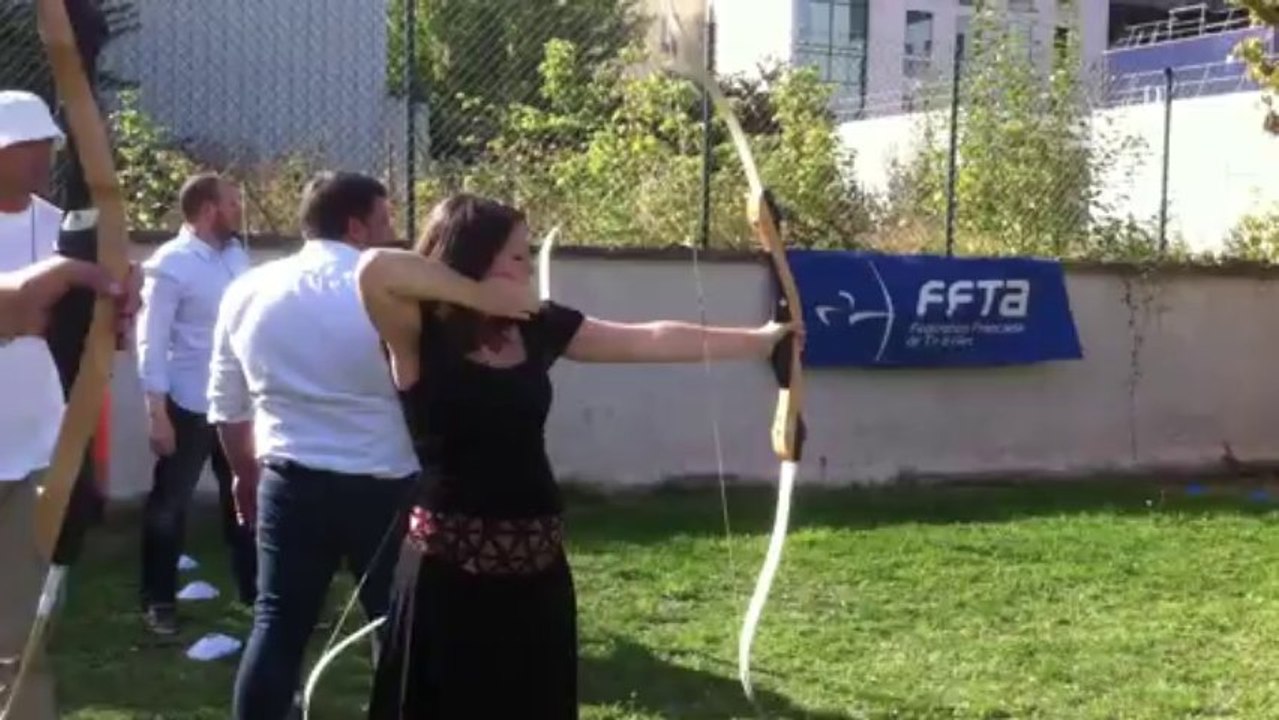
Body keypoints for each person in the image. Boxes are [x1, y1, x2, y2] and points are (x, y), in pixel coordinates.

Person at [358, 193, 796, 719]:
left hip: (537, 572)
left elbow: (646, 340)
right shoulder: (418, 332)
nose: (527, 266)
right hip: (449, 575)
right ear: (474, 256)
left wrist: (760, 342)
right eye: (516, 256)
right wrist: (481, 297)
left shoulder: (534, 325)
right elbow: (374, 267)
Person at [207, 172, 537, 720]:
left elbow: (227, 401)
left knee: (278, 626)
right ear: (357, 224)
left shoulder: (246, 288)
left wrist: (244, 474)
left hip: (290, 481)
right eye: (385, 221)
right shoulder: (397, 292)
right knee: (397, 624)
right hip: (386, 485)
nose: (396, 235)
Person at [0, 89, 139, 720]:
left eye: (45, 144)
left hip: (34, 451)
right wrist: (64, 276)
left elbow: (92, 328)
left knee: (19, 633)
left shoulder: (63, 228)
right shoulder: (64, 255)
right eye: (24, 145)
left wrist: (116, 309)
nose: (40, 156)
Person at [135, 173, 256, 635]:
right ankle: (159, 602)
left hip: (237, 405)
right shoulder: (171, 264)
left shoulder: (238, 256)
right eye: (231, 202)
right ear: (209, 209)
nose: (238, 209)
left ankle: (254, 594)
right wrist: (156, 411)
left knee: (244, 498)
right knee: (170, 506)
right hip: (188, 404)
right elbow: (151, 341)